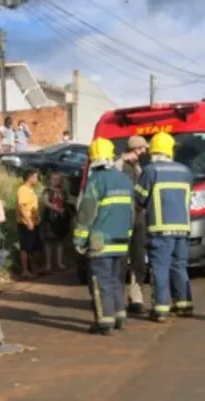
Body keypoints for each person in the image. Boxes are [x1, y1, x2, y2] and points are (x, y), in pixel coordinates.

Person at [74, 138, 135, 335]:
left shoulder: (96, 180)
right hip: (121, 241)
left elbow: (87, 213)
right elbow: (131, 213)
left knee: (100, 283)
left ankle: (104, 322)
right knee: (116, 280)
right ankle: (120, 317)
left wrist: (79, 239)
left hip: (101, 242)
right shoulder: (125, 179)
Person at [135, 132, 193, 322]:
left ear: (154, 150)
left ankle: (160, 309)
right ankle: (184, 305)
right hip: (183, 229)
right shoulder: (185, 171)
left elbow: (140, 198)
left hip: (160, 230)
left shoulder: (151, 171)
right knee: (179, 267)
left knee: (160, 268)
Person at [115, 135, 151, 315]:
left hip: (138, 219)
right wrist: (121, 159)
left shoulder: (138, 168)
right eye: (143, 148)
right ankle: (119, 300)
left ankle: (136, 299)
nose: (145, 152)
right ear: (136, 149)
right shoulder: (118, 166)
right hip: (121, 219)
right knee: (120, 261)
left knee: (138, 260)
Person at [16, 169, 42, 278]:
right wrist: (28, 221)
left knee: (35, 246)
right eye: (35, 177)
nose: (36, 179)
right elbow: (21, 206)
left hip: (34, 222)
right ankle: (25, 271)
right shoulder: (23, 190)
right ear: (30, 177)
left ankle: (35, 268)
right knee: (25, 246)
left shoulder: (31, 190)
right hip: (26, 223)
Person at [41, 171, 69, 271]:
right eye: (54, 179)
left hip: (60, 218)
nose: (56, 181)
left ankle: (59, 262)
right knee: (48, 241)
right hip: (50, 217)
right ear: (50, 180)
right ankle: (48, 265)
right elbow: (46, 202)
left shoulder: (62, 191)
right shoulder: (47, 190)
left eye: (58, 179)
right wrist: (57, 209)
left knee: (60, 241)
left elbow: (66, 201)